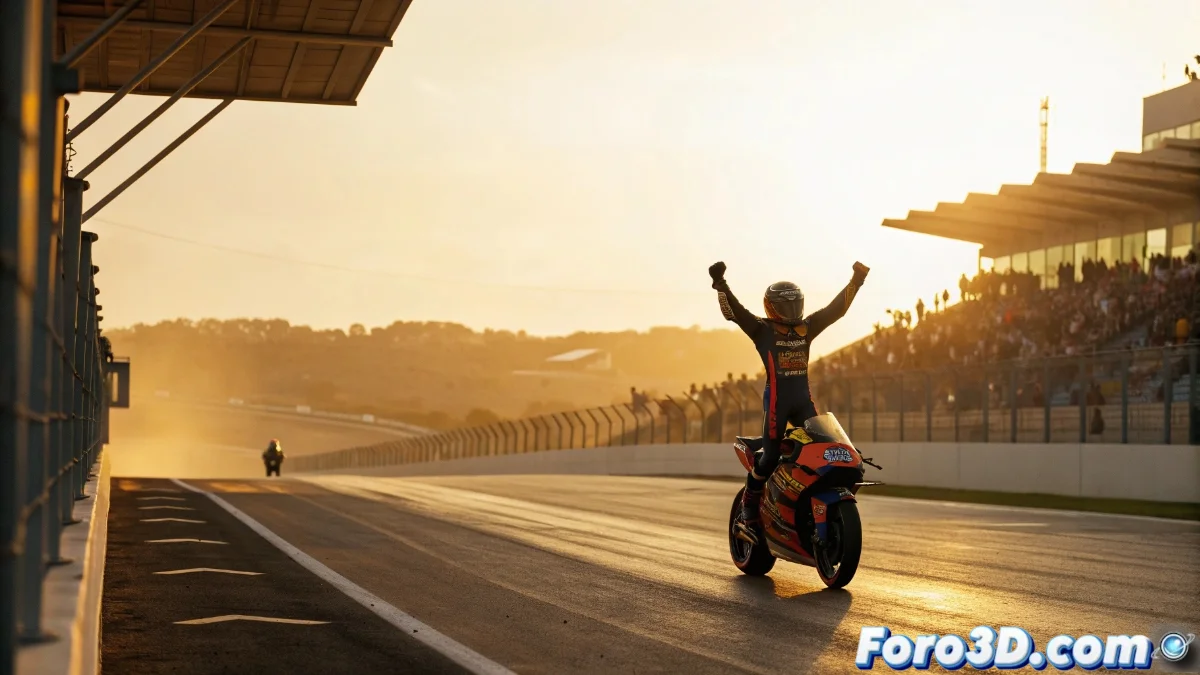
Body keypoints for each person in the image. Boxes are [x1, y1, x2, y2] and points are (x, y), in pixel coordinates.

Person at [708, 260, 869, 543]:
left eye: (796, 305)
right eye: (786, 307)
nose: (792, 312)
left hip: (804, 402)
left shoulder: (807, 327)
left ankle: (807, 501)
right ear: (772, 307)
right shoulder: (762, 329)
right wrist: (720, 283)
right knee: (769, 457)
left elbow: (837, 310)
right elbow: (733, 311)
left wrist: (857, 280)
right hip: (777, 404)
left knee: (828, 449)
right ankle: (748, 511)